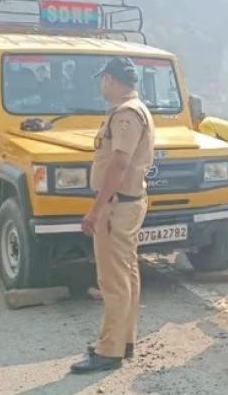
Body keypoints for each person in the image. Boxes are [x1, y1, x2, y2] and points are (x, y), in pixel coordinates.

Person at [71, 57, 155, 374]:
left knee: (113, 281)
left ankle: (109, 350)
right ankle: (124, 340)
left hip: (116, 206)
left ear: (109, 79)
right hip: (129, 202)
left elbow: (119, 163)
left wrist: (96, 208)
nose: (101, 85)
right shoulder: (136, 110)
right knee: (127, 274)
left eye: (103, 80)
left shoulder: (126, 114)